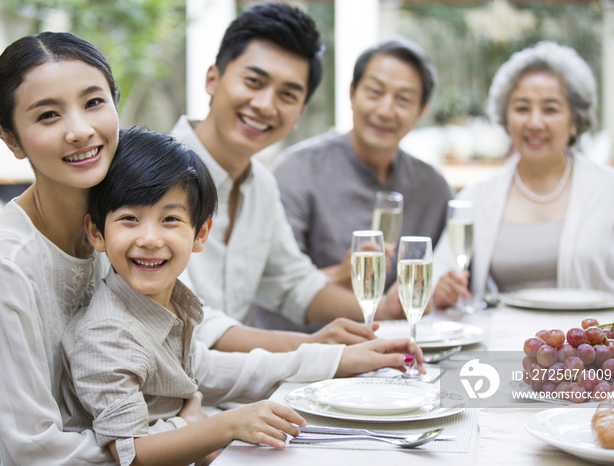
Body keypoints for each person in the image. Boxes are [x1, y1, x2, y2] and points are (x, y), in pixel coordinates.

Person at [62, 126, 422, 466]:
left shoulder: (166, 306)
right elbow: (133, 453)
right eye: (129, 219)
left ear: (201, 233)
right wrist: (222, 426)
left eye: (170, 219)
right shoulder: (107, 333)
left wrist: (338, 359)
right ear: (96, 232)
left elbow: (218, 369)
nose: (150, 238)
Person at [0, 32, 125, 465]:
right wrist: (178, 438)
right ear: (11, 140)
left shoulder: (112, 229)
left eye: (94, 102)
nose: (80, 131)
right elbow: (36, 451)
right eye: (48, 116)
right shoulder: (1, 266)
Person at [171, 2, 405, 353]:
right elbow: (189, 324)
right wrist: (311, 346)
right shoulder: (156, 174)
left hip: (234, 387)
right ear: (212, 79)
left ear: (298, 114)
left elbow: (294, 284)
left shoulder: (262, 185)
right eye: (254, 81)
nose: (265, 105)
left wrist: (385, 309)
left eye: (287, 95)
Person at [432, 41, 614, 308]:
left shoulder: (613, 189)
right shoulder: (478, 195)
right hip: (502, 345)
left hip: (596, 346)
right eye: (522, 108)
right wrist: (441, 289)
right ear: (506, 117)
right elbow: (437, 275)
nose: (534, 123)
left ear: (575, 120)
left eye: (550, 109)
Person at [273, 36, 453, 295]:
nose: (385, 110)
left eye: (403, 99)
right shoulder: (298, 170)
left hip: (401, 334)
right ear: (351, 93)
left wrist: (444, 287)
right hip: (309, 334)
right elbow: (274, 285)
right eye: (374, 92)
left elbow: (445, 271)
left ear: (421, 111)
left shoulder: (433, 186)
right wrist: (341, 274)